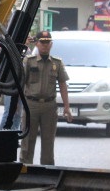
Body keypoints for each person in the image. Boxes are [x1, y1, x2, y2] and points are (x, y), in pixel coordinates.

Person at [20, 30, 72, 165]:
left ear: (51, 44)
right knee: (27, 141)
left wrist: (67, 107)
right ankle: (26, 171)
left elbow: (62, 84)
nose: (45, 45)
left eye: (47, 42)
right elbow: (21, 83)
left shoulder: (57, 63)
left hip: (49, 106)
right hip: (31, 105)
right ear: (36, 43)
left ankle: (47, 173)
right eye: (42, 42)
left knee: (48, 142)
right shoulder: (29, 61)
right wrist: (17, 105)